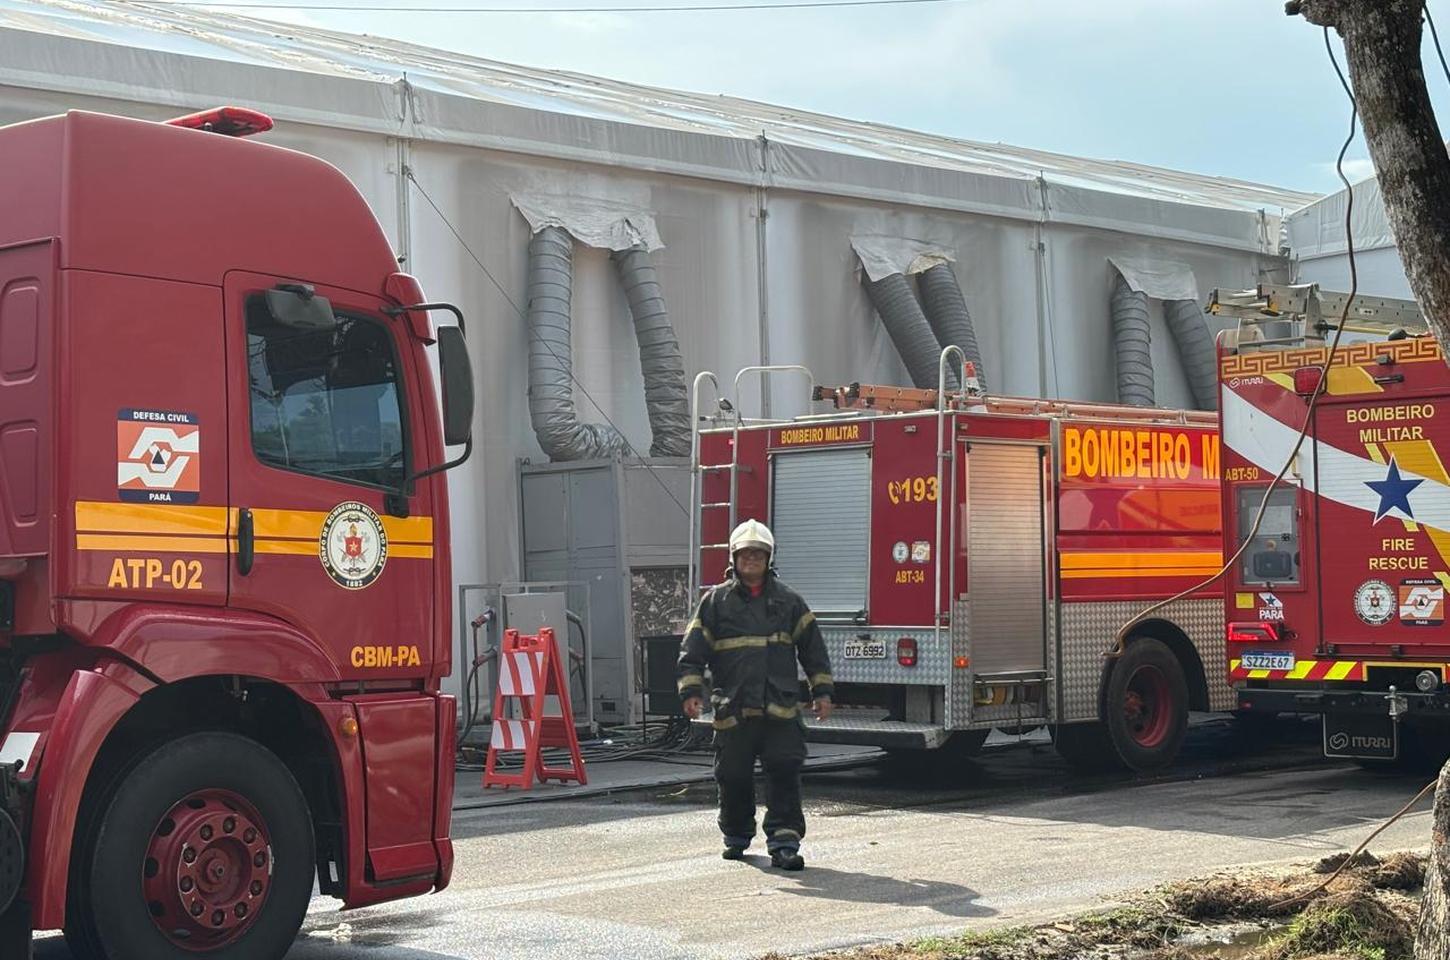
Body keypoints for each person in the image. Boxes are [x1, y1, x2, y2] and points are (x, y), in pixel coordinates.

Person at [677, 519, 834, 871]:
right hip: (733, 709)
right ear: (734, 558)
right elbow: (692, 651)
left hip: (780, 710)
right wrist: (690, 691)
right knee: (732, 775)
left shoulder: (789, 602)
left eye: (758, 554)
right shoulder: (715, 602)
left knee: (784, 772)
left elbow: (813, 650)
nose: (751, 559)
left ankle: (784, 842)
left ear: (768, 558)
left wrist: (822, 691)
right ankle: (736, 835)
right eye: (745, 554)